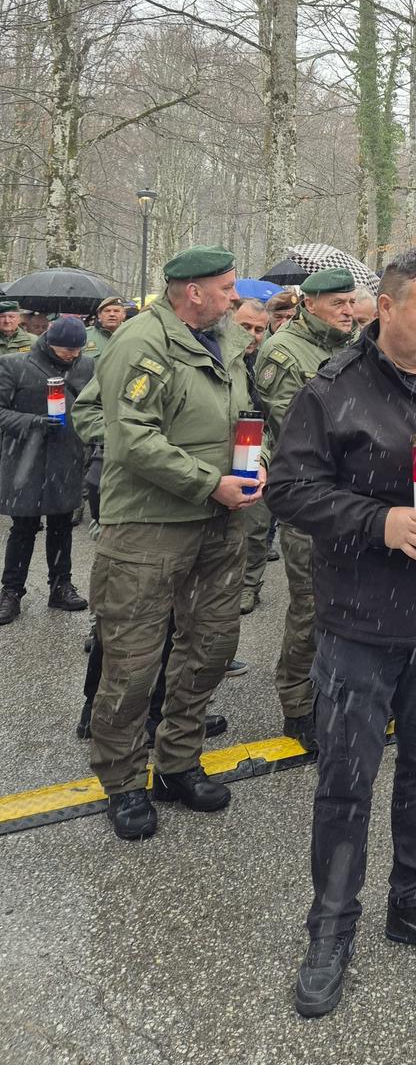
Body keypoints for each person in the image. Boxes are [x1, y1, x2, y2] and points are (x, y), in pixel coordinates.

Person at [264, 250, 416, 1017]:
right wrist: (380, 521)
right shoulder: (334, 390)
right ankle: (332, 926)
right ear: (388, 309)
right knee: (347, 783)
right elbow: (289, 488)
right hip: (361, 626)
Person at [70, 246, 259, 841]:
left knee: (210, 646)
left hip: (219, 521)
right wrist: (208, 482)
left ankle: (178, 761)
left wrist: (258, 463)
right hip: (150, 526)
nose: (235, 297)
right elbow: (132, 438)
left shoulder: (224, 341)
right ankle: (124, 781)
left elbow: (243, 417)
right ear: (193, 292)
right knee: (133, 661)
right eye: (226, 288)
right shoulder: (141, 342)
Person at [256, 268, 358, 746]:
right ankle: (297, 702)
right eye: (337, 303)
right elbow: (294, 422)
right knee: (311, 604)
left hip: (353, 493)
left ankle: (338, 688)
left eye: (351, 302)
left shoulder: (352, 345)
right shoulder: (283, 351)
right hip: (309, 493)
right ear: (309, 304)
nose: (348, 311)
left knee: (350, 599)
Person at [0, 316, 93, 624]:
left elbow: (95, 405)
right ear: (50, 343)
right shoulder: (14, 365)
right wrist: (34, 422)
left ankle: (61, 586)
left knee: (62, 526)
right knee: (23, 528)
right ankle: (11, 591)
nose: (73, 355)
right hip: (24, 459)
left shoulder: (86, 366)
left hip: (66, 457)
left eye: (78, 349)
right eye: (67, 349)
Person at [232, 298, 274, 616]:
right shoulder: (219, 358)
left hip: (256, 455)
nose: (252, 335)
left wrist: (264, 457)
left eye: (259, 329)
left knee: (256, 527)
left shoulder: (263, 362)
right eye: (245, 326)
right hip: (221, 456)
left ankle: (249, 585)